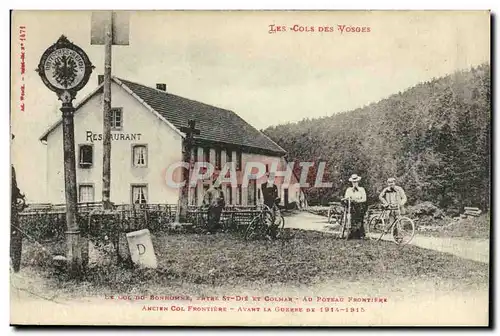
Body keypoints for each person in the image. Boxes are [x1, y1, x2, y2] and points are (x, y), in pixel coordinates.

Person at [343, 174, 367, 239]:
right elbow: (346, 198)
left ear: (358, 182)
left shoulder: (361, 189)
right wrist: (349, 199)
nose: (354, 183)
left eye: (356, 182)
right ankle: (352, 233)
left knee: (359, 217)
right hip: (351, 206)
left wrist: (357, 201)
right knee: (352, 217)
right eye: (353, 182)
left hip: (360, 205)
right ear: (351, 182)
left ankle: (360, 234)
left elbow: (364, 199)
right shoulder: (349, 190)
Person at [260, 171, 280, 238]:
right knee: (268, 221)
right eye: (271, 177)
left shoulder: (275, 186)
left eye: (273, 178)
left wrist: (276, 198)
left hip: (274, 204)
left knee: (278, 219)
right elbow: (266, 195)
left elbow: (276, 196)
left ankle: (273, 232)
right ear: (268, 178)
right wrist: (273, 196)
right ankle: (269, 234)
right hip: (267, 205)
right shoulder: (263, 186)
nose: (272, 179)